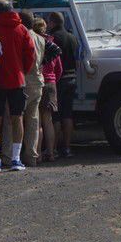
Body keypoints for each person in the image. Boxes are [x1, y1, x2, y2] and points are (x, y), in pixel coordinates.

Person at [0, 0, 34, 173]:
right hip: (17, 79)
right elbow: (29, 54)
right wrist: (23, 70)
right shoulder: (22, 29)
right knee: (17, 118)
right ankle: (16, 158)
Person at [47, 11, 78, 158]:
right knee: (68, 114)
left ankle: (54, 149)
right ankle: (67, 147)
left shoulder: (53, 38)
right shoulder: (72, 37)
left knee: (56, 116)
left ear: (52, 22)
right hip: (72, 78)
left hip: (59, 79)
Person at [19, 10, 45, 168]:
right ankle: (31, 155)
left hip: (23, 80)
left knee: (14, 119)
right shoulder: (41, 39)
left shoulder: (22, 36)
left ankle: (9, 154)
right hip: (37, 81)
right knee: (33, 120)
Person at [35, 18, 62, 162]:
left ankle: (38, 153)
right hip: (51, 82)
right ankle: (51, 152)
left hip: (38, 82)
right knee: (49, 120)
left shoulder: (34, 42)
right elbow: (59, 68)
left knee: (37, 121)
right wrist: (53, 80)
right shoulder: (52, 43)